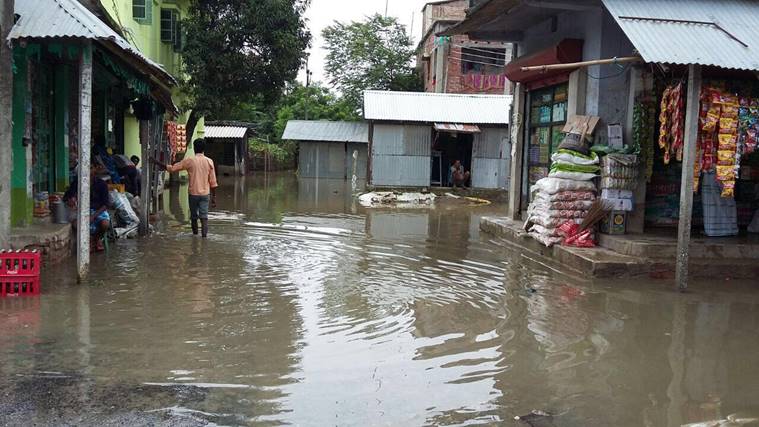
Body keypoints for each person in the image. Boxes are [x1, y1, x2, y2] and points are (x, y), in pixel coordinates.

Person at [153, 138, 218, 237]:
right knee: (204, 218)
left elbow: (172, 168)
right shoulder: (209, 161)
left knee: (193, 217)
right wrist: (213, 197)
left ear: (195, 148)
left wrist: (156, 162)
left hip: (193, 194)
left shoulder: (189, 161)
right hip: (205, 194)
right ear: (204, 149)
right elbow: (213, 182)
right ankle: (204, 239)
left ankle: (195, 236)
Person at [63, 165, 112, 252]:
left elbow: (105, 204)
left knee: (105, 224)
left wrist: (93, 216)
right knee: (76, 224)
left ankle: (96, 239)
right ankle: (89, 240)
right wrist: (71, 200)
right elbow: (66, 197)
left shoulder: (102, 184)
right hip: (80, 210)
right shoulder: (76, 183)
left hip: (98, 210)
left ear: (93, 174)